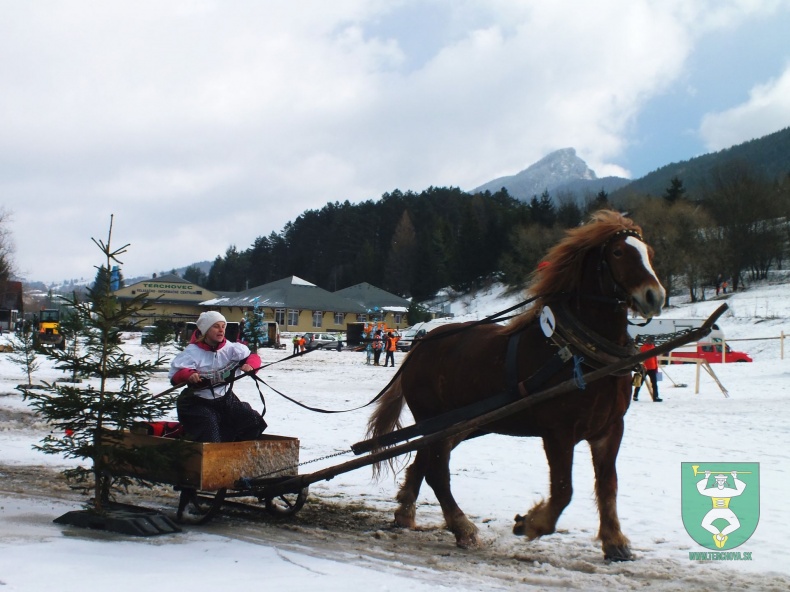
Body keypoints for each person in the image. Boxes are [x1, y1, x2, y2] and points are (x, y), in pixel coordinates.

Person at [169, 311, 267, 443]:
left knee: (252, 419)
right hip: (197, 402)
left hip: (226, 399)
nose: (221, 330)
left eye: (223, 326)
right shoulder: (192, 352)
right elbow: (175, 376)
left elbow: (253, 357)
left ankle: (233, 450)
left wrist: (250, 365)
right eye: (216, 326)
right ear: (205, 330)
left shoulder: (232, 349)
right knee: (209, 428)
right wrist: (188, 375)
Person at [633, 336, 662, 402]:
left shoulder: (653, 347)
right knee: (639, 382)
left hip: (652, 368)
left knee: (654, 383)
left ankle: (656, 397)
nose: (651, 342)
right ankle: (635, 396)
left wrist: (656, 368)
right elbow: (640, 358)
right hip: (643, 368)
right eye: (650, 341)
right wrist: (641, 366)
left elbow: (655, 358)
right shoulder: (643, 348)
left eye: (652, 341)